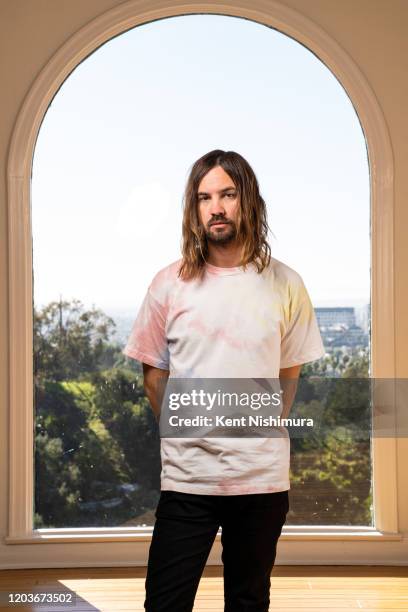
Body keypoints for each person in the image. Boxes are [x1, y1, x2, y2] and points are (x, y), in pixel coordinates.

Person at [122, 150, 325, 612]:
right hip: (188, 478)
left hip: (261, 479)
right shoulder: (167, 284)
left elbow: (287, 380)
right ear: (194, 209)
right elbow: (153, 371)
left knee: (248, 600)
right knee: (165, 602)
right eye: (204, 197)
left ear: (247, 200)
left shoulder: (286, 284)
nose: (216, 207)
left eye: (227, 194)